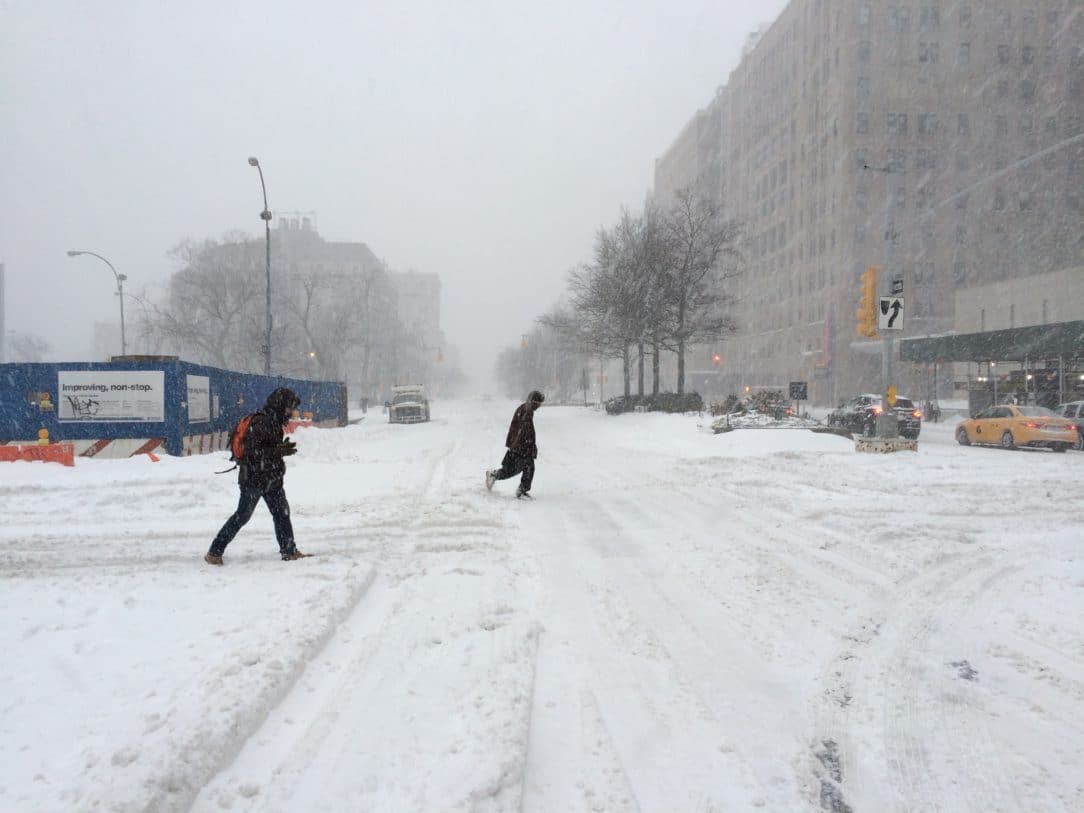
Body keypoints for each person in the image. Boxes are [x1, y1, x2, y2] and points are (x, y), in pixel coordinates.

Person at [205, 387, 309, 565]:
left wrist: (279, 452)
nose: (291, 412)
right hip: (254, 480)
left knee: (282, 514)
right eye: (289, 408)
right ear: (280, 406)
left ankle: (289, 550)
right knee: (243, 516)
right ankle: (214, 551)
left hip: (271, 479)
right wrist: (277, 451)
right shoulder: (262, 422)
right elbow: (254, 453)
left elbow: (267, 451)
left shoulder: (274, 421)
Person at [486, 390, 544, 498]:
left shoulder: (524, 408)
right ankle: (521, 490)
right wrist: (526, 446)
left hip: (517, 445)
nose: (539, 406)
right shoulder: (527, 411)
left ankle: (493, 475)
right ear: (534, 402)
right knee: (525, 468)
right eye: (538, 404)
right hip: (521, 446)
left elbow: (521, 430)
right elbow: (524, 431)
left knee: (514, 469)